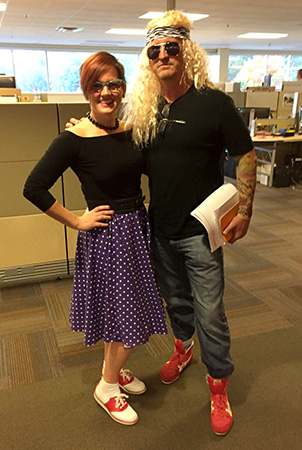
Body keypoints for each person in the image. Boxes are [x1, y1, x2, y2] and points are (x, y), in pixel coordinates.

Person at [122, 10, 257, 436]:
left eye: (171, 47)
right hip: (160, 230)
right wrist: (86, 130)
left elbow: (246, 154)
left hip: (202, 233)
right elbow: (128, 158)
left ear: (186, 51)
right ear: (148, 58)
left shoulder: (213, 103)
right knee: (177, 304)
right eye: (154, 49)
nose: (162, 54)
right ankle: (182, 349)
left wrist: (247, 210)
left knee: (211, 313)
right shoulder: (146, 112)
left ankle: (218, 385)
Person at [23, 51, 167, 426]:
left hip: (136, 229)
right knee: (130, 321)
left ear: (123, 88)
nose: (107, 92)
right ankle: (106, 385)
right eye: (97, 85)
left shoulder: (129, 131)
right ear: (86, 90)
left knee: (120, 315)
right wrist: (76, 221)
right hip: (108, 238)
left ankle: (114, 372)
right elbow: (34, 187)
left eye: (114, 84)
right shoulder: (72, 138)